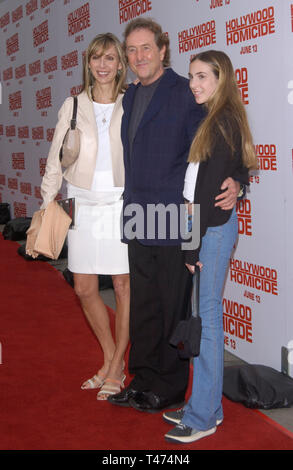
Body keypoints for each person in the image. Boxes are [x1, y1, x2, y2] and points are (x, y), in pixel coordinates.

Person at [108, 18, 243, 412]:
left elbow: (217, 146)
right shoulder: (130, 96)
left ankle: (166, 389)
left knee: (171, 307)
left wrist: (237, 179)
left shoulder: (185, 92)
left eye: (146, 48)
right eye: (131, 50)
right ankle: (142, 378)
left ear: (163, 49)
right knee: (145, 306)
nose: (138, 57)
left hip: (172, 212)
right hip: (136, 212)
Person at [163, 50, 257, 443]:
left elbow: (204, 196)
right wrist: (239, 180)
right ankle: (208, 405)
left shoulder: (221, 121)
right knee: (207, 321)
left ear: (222, 79)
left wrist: (189, 247)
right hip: (209, 228)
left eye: (203, 76)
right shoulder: (218, 117)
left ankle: (202, 416)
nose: (194, 84)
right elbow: (233, 169)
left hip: (210, 231)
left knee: (207, 324)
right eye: (191, 77)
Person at [40, 33, 130, 401]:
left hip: (123, 206)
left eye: (110, 58)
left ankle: (118, 366)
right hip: (82, 206)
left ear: (121, 64)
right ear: (88, 64)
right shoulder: (73, 105)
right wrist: (48, 203)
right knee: (84, 288)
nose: (103, 65)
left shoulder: (132, 103)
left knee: (124, 289)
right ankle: (111, 358)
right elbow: (54, 158)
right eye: (97, 58)